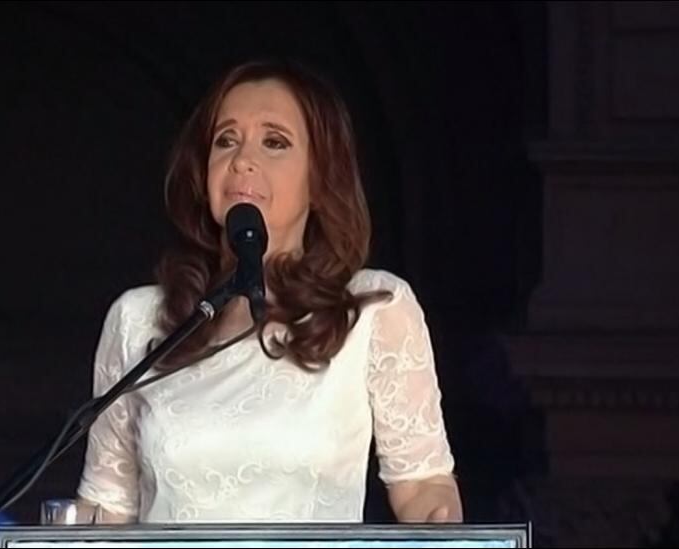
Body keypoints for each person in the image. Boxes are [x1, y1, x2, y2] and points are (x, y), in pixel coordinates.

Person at [75, 58, 463, 524]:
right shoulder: (138, 320)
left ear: (320, 180)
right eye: (226, 140)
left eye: (274, 141)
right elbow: (105, 510)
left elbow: (422, 485)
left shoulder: (372, 309)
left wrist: (441, 521)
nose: (242, 160)